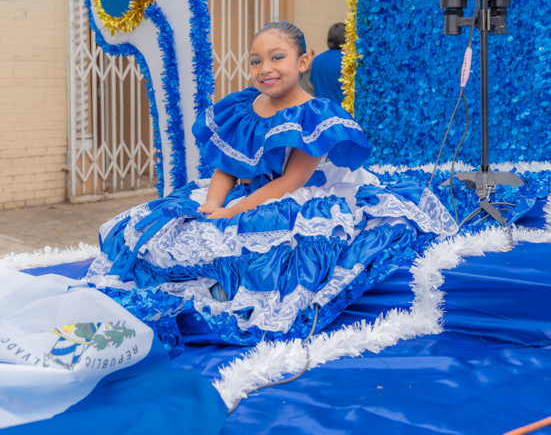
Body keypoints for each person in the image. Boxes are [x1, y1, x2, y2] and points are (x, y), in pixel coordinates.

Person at [86, 22, 457, 351]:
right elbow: (227, 166)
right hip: (251, 191)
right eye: (255, 61)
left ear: (303, 61)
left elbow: (291, 181)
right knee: (154, 225)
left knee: (263, 245)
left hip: (299, 193)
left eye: (277, 57)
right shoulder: (244, 107)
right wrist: (213, 204)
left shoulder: (314, 115)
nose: (265, 69)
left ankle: (225, 291)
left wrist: (230, 212)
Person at [310, 22, 346, 104]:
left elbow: (313, 87)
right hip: (339, 111)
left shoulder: (316, 60)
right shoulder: (346, 61)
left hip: (319, 110)